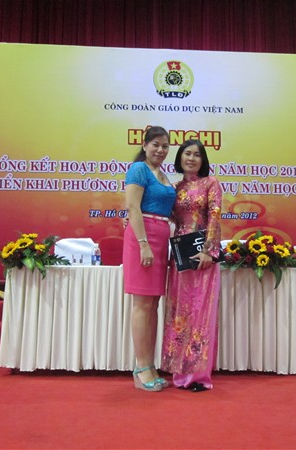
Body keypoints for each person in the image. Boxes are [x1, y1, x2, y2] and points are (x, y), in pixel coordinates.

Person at [161, 139, 222, 392]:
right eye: (187, 153)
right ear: (180, 157)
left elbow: (215, 216)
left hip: (203, 255)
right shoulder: (174, 188)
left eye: (197, 155)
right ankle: (180, 371)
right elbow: (167, 216)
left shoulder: (211, 183)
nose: (191, 158)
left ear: (203, 160)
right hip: (180, 256)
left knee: (201, 313)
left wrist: (209, 251)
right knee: (180, 313)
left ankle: (199, 376)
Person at [123, 126, 176, 392]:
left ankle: (150, 364)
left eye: (165, 146)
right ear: (144, 145)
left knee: (153, 304)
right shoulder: (138, 170)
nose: (160, 150)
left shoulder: (163, 174)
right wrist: (143, 244)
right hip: (143, 239)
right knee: (142, 304)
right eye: (156, 144)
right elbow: (133, 207)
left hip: (161, 239)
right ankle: (141, 367)